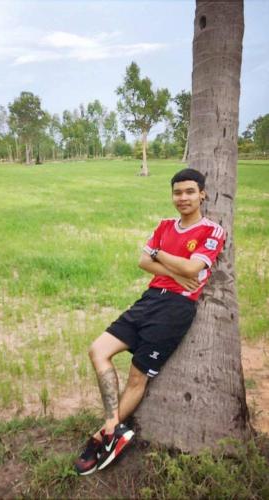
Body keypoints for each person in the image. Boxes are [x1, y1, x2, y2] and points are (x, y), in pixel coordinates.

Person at [74, 168, 225, 475]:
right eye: (177, 192)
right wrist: (174, 269)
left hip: (177, 309)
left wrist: (162, 257)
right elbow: (144, 261)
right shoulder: (164, 225)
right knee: (98, 350)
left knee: (136, 378)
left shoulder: (212, 231)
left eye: (189, 192)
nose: (183, 198)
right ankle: (112, 425)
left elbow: (194, 268)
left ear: (202, 194)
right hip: (149, 300)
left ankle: (101, 436)